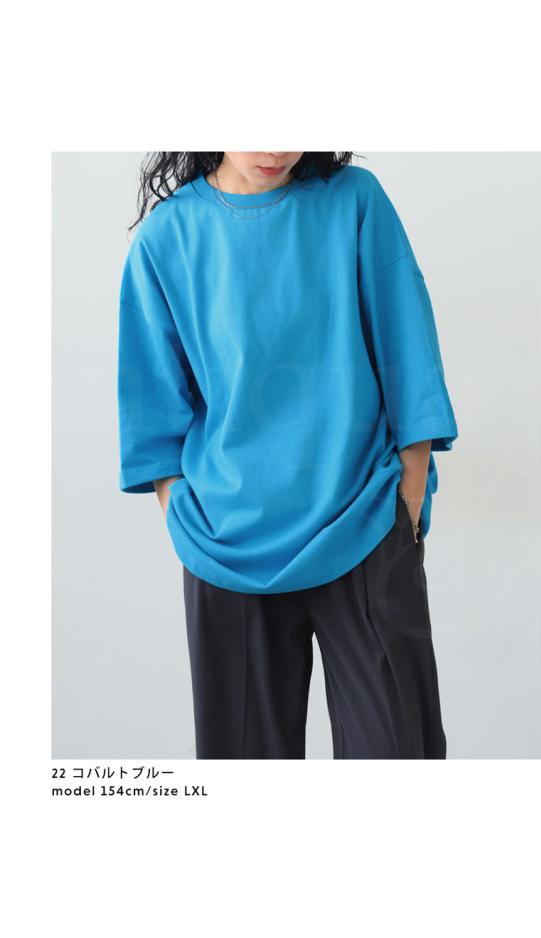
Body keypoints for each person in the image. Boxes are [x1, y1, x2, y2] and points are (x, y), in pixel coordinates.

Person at [117, 151, 459, 759]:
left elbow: (408, 347)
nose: (275, 149)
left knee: (398, 753)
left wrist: (407, 501)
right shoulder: (168, 235)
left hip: (364, 522)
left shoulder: (354, 201)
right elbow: (152, 403)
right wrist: (182, 515)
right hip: (227, 544)